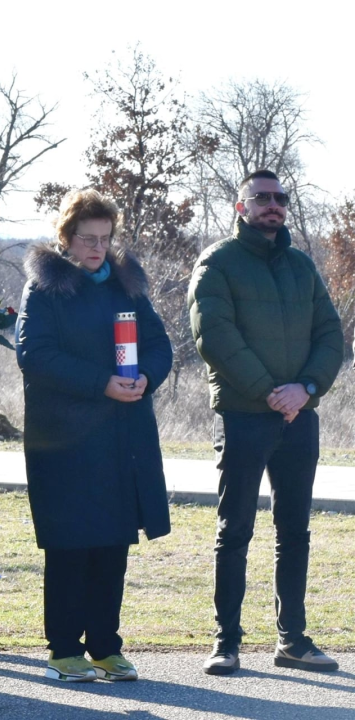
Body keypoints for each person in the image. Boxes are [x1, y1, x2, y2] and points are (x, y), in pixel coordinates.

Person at [188, 170, 343, 676]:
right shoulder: (218, 262)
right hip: (243, 417)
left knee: (294, 531)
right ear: (241, 207)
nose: (273, 205)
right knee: (234, 531)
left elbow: (330, 334)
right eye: (261, 198)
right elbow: (214, 335)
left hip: (300, 418)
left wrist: (307, 388)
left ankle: (292, 641)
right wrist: (271, 392)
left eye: (280, 198)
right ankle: (226, 643)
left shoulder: (302, 266)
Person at [16, 188, 172, 683]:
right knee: (71, 546)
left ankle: (106, 647)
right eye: (88, 238)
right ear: (66, 237)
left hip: (122, 438)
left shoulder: (126, 285)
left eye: (105, 238)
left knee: (112, 546)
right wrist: (101, 382)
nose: (98, 248)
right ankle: (64, 650)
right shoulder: (45, 289)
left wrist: (146, 376)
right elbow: (35, 355)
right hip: (65, 441)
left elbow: (159, 345)